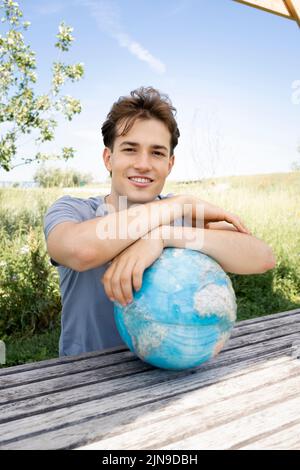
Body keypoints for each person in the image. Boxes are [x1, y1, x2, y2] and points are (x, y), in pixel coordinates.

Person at [43, 86, 276, 357]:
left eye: (156, 153)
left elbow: (262, 257)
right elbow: (79, 250)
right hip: (84, 380)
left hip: (168, 374)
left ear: (170, 163)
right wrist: (181, 203)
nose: (143, 164)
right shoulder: (74, 210)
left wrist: (163, 237)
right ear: (109, 158)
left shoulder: (180, 221)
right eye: (130, 149)